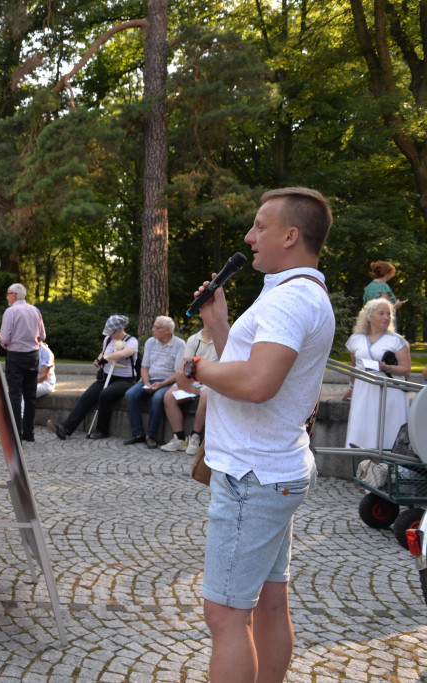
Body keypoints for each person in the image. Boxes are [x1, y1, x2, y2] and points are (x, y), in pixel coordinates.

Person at [184, 187, 334, 682]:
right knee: (270, 602)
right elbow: (255, 368)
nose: (249, 237)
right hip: (274, 468)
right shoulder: (294, 292)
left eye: (260, 227)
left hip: (253, 475)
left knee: (225, 615)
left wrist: (196, 368)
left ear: (291, 236)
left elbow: (256, 383)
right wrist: (220, 325)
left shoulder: (290, 300)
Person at [47, 315, 137, 440]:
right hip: (106, 377)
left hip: (125, 380)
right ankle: (65, 428)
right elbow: (103, 352)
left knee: (105, 394)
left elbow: (124, 353)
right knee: (88, 395)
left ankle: (102, 430)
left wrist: (107, 357)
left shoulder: (131, 341)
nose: (110, 335)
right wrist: (99, 359)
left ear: (119, 330)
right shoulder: (108, 339)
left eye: (112, 332)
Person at [342, 299, 411, 450]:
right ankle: (367, 468)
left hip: (389, 391)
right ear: (369, 316)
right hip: (364, 390)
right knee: (364, 433)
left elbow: (406, 369)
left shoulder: (397, 341)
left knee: (388, 431)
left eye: (388, 314)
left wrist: (388, 367)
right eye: (381, 313)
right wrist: (351, 387)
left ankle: (386, 468)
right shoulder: (356, 339)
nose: (386, 317)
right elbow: (354, 367)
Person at [122, 316, 186, 449]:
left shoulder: (179, 344)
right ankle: (138, 433)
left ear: (167, 330)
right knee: (130, 394)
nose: (153, 330)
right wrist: (147, 383)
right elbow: (144, 367)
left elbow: (178, 373)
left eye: (157, 327)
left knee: (157, 398)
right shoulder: (150, 342)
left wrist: (161, 385)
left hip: (168, 381)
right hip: (150, 379)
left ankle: (150, 436)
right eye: (154, 327)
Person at [0, 283, 46, 442]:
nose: (6, 297)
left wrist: (5, 345)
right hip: (33, 355)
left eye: (7, 293)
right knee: (30, 396)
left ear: (14, 295)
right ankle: (29, 434)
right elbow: (42, 336)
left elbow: (4, 338)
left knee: (15, 396)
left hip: (15, 356)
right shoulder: (35, 310)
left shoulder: (10, 311)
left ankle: (15, 434)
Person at [160, 326, 218, 453]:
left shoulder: (223, 338)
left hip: (212, 380)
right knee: (169, 396)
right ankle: (179, 439)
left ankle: (194, 437)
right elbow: (187, 365)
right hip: (194, 378)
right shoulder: (193, 339)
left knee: (206, 396)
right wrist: (187, 384)